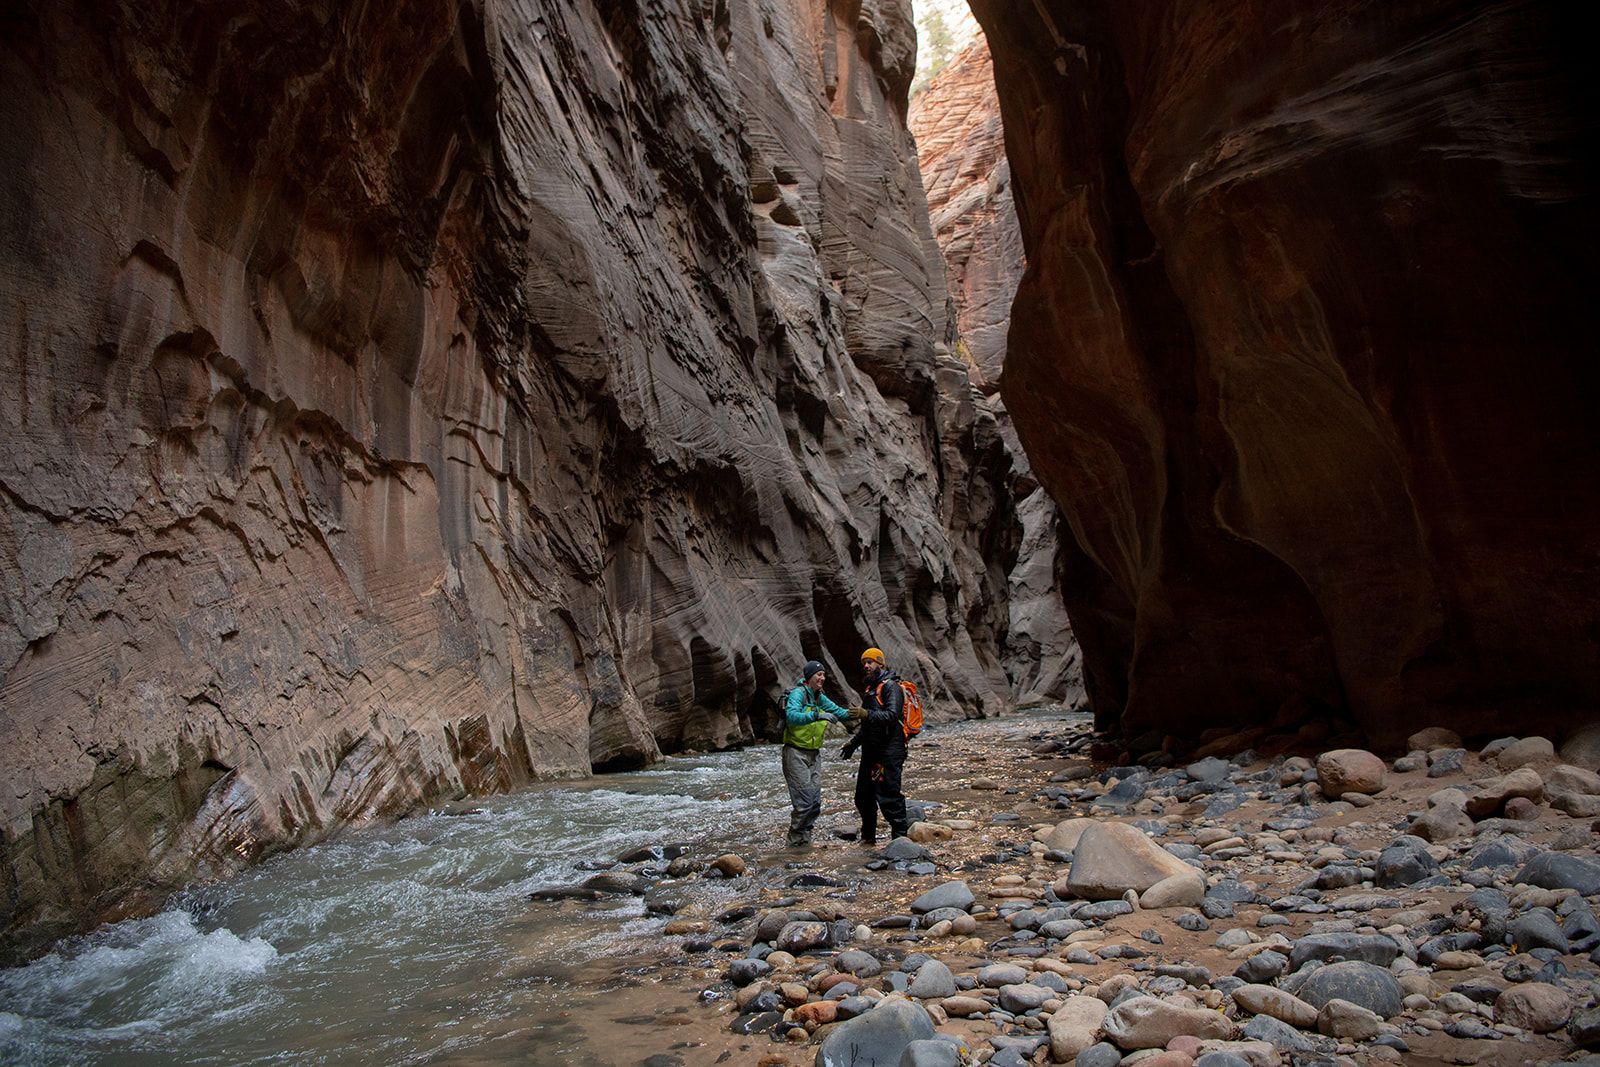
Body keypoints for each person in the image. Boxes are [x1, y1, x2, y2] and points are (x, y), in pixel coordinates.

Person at [839, 647, 910, 843]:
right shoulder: (871, 689)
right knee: (863, 797)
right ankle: (868, 837)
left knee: (888, 796)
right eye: (864, 663)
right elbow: (870, 725)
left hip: (888, 754)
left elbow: (892, 715)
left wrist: (865, 714)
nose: (866, 666)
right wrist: (854, 743)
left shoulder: (890, 687)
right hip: (871, 754)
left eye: (870, 662)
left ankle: (900, 840)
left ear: (881, 664)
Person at [781, 660, 851, 847]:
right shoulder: (798, 694)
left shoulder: (819, 697)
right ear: (809, 676)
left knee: (815, 803)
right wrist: (816, 715)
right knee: (804, 802)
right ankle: (794, 845)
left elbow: (839, 713)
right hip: (795, 753)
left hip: (813, 754)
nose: (822, 678)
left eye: (823, 675)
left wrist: (863, 713)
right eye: (818, 675)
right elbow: (792, 716)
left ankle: (805, 844)